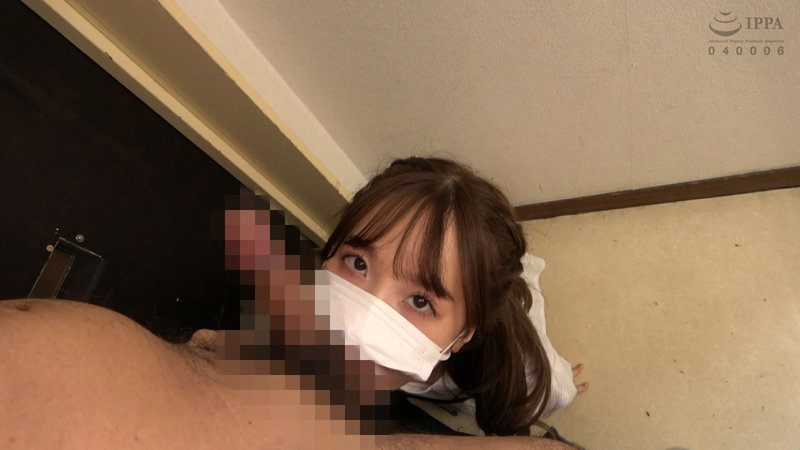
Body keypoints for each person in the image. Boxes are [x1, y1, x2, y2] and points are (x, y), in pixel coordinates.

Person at [0, 156, 585, 448]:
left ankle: (520, 281)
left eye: (419, 300)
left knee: (529, 316)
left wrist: (558, 388)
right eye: (357, 264)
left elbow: (536, 395)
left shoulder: (512, 370)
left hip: (500, 346)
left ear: (458, 337)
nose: (357, 318)